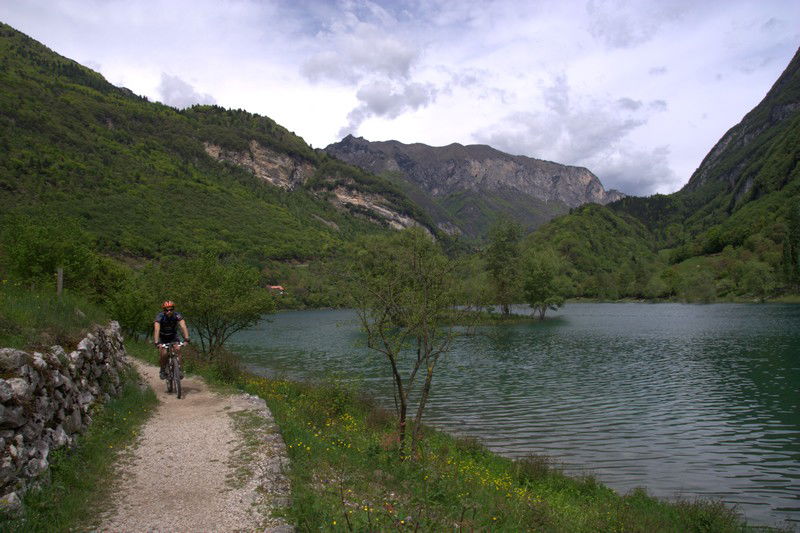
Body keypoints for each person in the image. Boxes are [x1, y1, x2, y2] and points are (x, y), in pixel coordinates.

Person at [153, 300, 190, 379]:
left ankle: (179, 370)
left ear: (174, 309)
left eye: (171, 309)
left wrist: (186, 339)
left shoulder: (177, 315)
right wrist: (156, 342)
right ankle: (162, 370)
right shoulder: (160, 316)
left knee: (178, 349)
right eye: (166, 310)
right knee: (164, 353)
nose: (169, 311)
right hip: (163, 337)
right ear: (164, 310)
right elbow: (156, 329)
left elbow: (183, 326)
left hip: (173, 336)